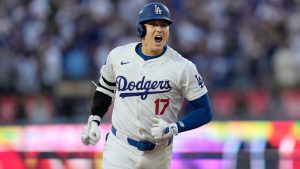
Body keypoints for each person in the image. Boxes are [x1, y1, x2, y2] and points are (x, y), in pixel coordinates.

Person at [81, 2, 212, 169]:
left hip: (158, 154)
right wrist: (94, 120)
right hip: (120, 148)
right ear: (141, 29)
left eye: (164, 25)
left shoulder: (182, 67)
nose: (159, 29)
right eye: (153, 24)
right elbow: (105, 89)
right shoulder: (118, 56)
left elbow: (205, 111)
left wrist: (174, 127)